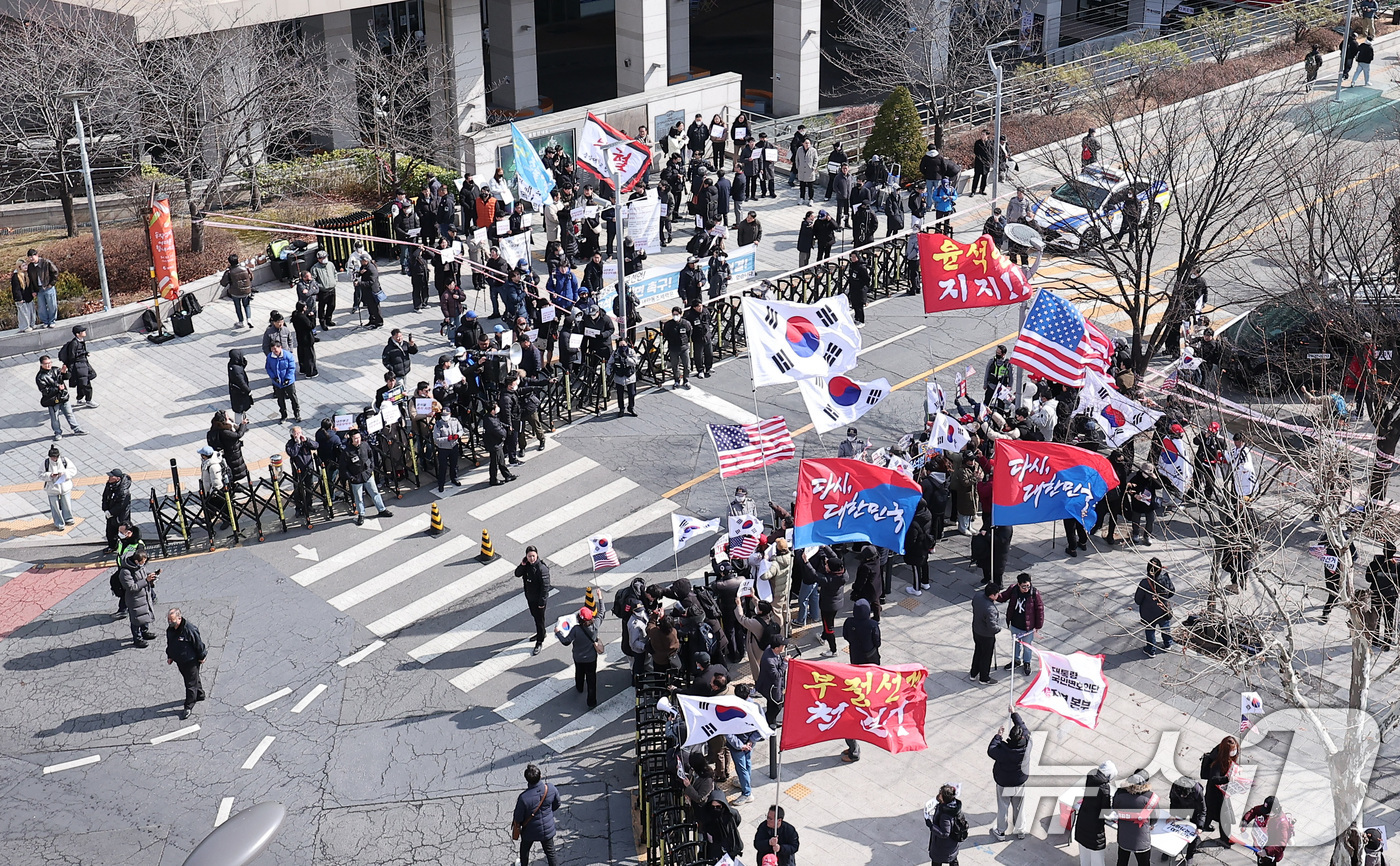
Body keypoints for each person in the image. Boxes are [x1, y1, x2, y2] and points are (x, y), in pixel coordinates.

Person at [988, 709, 1030, 838]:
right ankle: (1020, 830)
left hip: (1004, 782)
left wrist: (998, 736)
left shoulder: (1003, 750)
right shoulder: (1027, 744)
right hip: (1019, 781)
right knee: (1019, 806)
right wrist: (1014, 714)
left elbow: (991, 750)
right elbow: (1024, 727)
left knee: (1003, 807)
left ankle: (1001, 831)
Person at [339, 429, 394, 526]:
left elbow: (371, 456)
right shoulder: (346, 452)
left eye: (359, 438)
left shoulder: (365, 445)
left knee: (375, 492)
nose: (358, 440)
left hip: (367, 475)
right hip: (356, 478)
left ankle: (382, 509)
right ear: (351, 439)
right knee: (359, 498)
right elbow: (343, 468)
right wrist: (351, 478)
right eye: (355, 439)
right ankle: (361, 514)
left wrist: (371, 468)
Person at [514, 763, 562, 866]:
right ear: (540, 776)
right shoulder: (550, 788)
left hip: (530, 831)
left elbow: (518, 817)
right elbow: (557, 803)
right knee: (551, 853)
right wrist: (548, 813)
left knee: (524, 850)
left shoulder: (523, 797)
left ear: (527, 780)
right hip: (547, 830)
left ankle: (523, 864)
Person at [996, 572, 1043, 676]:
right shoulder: (1013, 589)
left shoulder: (1034, 593)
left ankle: (1027, 662)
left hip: (1028, 627)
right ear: (1018, 584)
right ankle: (1016, 660)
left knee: (1027, 647)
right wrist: (994, 594)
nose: (1026, 589)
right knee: (1016, 644)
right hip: (1015, 624)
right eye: (1023, 586)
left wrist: (1038, 626)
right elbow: (1003, 597)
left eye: (1028, 586)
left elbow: (1039, 609)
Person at [165, 607, 207, 720]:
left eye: (172, 620)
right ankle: (200, 694)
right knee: (192, 679)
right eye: (168, 620)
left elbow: (198, 644)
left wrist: (202, 656)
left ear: (179, 618)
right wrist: (170, 656)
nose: (170, 622)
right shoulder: (171, 629)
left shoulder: (189, 629)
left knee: (190, 684)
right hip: (180, 661)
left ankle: (188, 706)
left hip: (190, 661)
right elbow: (170, 643)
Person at [1112, 769, 1158, 866]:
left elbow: (1115, 809)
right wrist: (1151, 824)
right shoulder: (1149, 797)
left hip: (1124, 836)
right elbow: (1155, 817)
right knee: (1144, 863)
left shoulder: (1120, 793)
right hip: (1142, 838)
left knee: (1122, 861)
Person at [558, 606, 602, 707]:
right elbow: (602, 613)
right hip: (591, 658)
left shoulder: (576, 629)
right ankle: (591, 702)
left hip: (578, 657)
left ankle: (579, 687)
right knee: (591, 679)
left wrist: (558, 633)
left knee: (579, 672)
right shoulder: (595, 625)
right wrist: (600, 598)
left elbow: (566, 641)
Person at [1200, 736, 1241, 843]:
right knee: (1225, 817)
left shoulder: (1222, 755)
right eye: (1232, 750)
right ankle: (1225, 838)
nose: (1234, 752)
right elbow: (1214, 778)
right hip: (1216, 792)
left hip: (1216, 791)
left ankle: (1204, 825)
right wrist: (1227, 778)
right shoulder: (1217, 762)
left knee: (1209, 811)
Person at [1075, 762, 1115, 866]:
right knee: (1097, 861)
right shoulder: (1104, 788)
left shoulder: (1090, 777)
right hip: (1094, 830)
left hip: (1082, 822)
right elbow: (1105, 812)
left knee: (1084, 859)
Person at [118, 548, 160, 648]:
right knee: (136, 619)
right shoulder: (125, 572)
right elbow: (132, 587)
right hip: (135, 599)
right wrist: (146, 580)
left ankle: (145, 632)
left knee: (145, 614)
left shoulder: (139, 566)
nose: (143, 564)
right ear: (136, 561)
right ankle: (137, 639)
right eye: (142, 562)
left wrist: (152, 575)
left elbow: (144, 574)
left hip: (144, 595)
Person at [36, 355, 85, 441]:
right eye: (46, 364)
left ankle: (76, 429)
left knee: (69, 414)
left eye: (50, 363)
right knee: (55, 417)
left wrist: (64, 372)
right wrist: (57, 387)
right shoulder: (40, 377)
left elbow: (66, 377)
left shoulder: (55, 369)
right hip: (53, 400)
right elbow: (45, 391)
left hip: (63, 396)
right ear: (41, 364)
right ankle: (57, 432)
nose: (49, 365)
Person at [1133, 557, 1175, 656]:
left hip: (1148, 613)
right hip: (1163, 610)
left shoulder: (1144, 583)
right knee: (1165, 626)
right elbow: (1172, 591)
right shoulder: (1165, 579)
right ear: (1160, 569)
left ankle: (1151, 649)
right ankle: (1168, 644)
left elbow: (1138, 600)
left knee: (1150, 630)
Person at [1240, 796, 1292, 866]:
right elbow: (1254, 811)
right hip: (1260, 846)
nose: (1265, 813)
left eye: (1268, 812)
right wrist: (1245, 822)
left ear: (1275, 810)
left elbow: (1281, 844)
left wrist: (1266, 851)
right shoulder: (1267, 809)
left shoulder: (1282, 824)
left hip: (1269, 854)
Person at [1168, 776, 1206, 866]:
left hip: (1195, 810)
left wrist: (1200, 826)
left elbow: (1203, 810)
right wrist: (1173, 814)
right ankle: (1169, 851)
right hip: (1181, 808)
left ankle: (1190, 856)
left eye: (1184, 795)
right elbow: (1173, 800)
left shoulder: (1197, 790)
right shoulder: (1175, 786)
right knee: (1175, 828)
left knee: (1193, 834)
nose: (1182, 796)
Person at [926, 783, 966, 866]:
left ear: (944, 798)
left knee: (936, 862)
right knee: (953, 860)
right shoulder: (954, 807)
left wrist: (931, 826)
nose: (938, 795)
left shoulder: (945, 816)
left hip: (942, 847)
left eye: (940, 794)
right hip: (952, 845)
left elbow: (945, 833)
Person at [58, 325, 97, 408]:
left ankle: (80, 399)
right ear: (77, 334)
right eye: (83, 331)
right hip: (79, 366)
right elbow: (72, 356)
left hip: (83, 364)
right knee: (86, 384)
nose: (84, 332)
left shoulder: (81, 341)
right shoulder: (74, 343)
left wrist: (85, 353)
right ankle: (88, 400)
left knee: (81, 383)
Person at [969, 582, 1001, 684]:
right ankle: (984, 678)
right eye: (997, 594)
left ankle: (973, 673)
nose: (998, 595)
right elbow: (992, 627)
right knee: (986, 656)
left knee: (978, 651)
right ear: (992, 595)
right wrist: (998, 629)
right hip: (986, 635)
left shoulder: (978, 596)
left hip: (976, 630)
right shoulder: (990, 609)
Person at [41, 445, 76, 531]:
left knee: (67, 504)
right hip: (52, 489)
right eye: (52, 457)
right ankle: (59, 523)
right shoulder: (46, 463)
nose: (54, 459)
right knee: (55, 507)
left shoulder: (64, 461)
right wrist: (50, 475)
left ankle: (68, 518)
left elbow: (73, 470)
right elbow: (40, 474)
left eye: (55, 457)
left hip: (65, 487)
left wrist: (64, 473)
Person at [265, 343, 301, 423]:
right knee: (280, 400)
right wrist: (274, 377)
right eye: (273, 349)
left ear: (280, 347)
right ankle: (284, 415)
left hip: (288, 382)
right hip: (277, 383)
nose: (275, 351)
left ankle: (297, 414)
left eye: (276, 349)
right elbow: (268, 368)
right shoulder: (270, 357)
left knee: (293, 398)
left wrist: (287, 378)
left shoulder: (288, 355)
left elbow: (292, 367)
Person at [484, 401, 516, 486]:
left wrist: (506, 426)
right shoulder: (491, 422)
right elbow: (500, 432)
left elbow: (499, 423)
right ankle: (493, 479)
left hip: (496, 443)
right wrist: (507, 431)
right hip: (494, 444)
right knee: (494, 463)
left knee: (501, 460)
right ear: (492, 410)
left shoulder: (490, 417)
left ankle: (507, 475)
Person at [101, 468, 133, 553]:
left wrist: (111, 512)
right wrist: (105, 508)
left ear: (118, 478)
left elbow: (121, 505)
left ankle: (128, 548)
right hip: (110, 513)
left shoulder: (123, 491)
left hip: (121, 516)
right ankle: (112, 546)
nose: (109, 477)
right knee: (110, 532)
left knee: (123, 533)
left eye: (112, 476)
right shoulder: (109, 484)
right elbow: (105, 496)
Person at [220, 253, 255, 330]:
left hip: (236, 293)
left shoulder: (229, 272)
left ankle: (241, 322)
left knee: (238, 307)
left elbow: (223, 283)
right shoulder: (245, 268)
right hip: (246, 291)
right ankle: (249, 319)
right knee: (247, 305)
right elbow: (251, 278)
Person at [432, 410, 464, 491]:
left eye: (446, 415)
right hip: (443, 448)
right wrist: (447, 439)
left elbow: (461, 430)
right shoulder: (438, 424)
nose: (445, 417)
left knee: (454, 464)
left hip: (454, 446)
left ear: (450, 414)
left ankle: (454, 478)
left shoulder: (455, 421)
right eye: (443, 415)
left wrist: (457, 435)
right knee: (443, 467)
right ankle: (441, 484)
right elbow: (436, 439)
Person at [607, 338, 640, 417]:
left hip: (630, 376)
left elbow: (635, 362)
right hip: (619, 376)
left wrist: (626, 358)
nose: (622, 347)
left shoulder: (631, 351)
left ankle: (631, 407)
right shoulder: (615, 353)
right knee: (620, 394)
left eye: (624, 345)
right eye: (620, 345)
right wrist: (608, 372)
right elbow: (609, 363)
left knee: (632, 393)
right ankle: (621, 408)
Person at [662, 306, 692, 389]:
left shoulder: (685, 323)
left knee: (687, 365)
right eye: (674, 314)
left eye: (677, 314)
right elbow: (665, 335)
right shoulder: (668, 324)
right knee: (675, 366)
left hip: (684, 348)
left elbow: (689, 333)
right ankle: (677, 380)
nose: (675, 316)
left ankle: (686, 380)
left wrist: (685, 342)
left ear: (680, 314)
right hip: (673, 348)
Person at [310, 249, 339, 329]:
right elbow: (313, 280)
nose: (324, 259)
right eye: (322, 258)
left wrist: (335, 281)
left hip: (332, 289)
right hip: (323, 292)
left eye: (325, 257)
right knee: (322, 308)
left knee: (332, 305)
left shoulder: (330, 264)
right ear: (318, 259)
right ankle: (322, 322)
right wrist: (319, 287)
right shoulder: (315, 268)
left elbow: (335, 273)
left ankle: (328, 319)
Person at [290, 302, 318, 378]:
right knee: (309, 356)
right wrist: (312, 317)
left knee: (302, 354)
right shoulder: (302, 318)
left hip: (300, 338)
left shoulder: (295, 315)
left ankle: (303, 369)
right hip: (307, 339)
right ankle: (310, 372)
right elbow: (311, 326)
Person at [226, 350, 254, 424]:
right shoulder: (236, 370)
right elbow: (241, 382)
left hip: (236, 391)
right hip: (240, 392)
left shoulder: (231, 364)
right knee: (239, 409)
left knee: (241, 408)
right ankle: (239, 425)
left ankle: (243, 421)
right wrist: (248, 390)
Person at [11, 257, 36, 332]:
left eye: (26, 265)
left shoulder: (26, 275)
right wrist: (19, 298)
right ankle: (25, 326)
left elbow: (30, 286)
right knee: (24, 314)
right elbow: (16, 289)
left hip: (28, 297)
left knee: (31, 311)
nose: (26, 267)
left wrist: (32, 293)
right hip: (21, 299)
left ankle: (32, 324)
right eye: (23, 266)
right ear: (19, 267)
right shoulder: (16, 276)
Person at [845, 251, 870, 326]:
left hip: (860, 288)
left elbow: (866, 279)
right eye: (851, 257)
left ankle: (861, 320)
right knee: (854, 303)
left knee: (859, 305)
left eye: (854, 257)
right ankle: (856, 318)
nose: (852, 259)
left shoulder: (861, 267)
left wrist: (863, 286)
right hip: (853, 287)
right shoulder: (852, 265)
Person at [793, 137, 819, 205]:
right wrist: (798, 167)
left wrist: (813, 167)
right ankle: (802, 198)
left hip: (809, 171)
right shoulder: (799, 149)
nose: (807, 144)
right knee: (802, 186)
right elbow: (797, 159)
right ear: (803, 143)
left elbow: (816, 160)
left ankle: (811, 199)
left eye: (808, 143)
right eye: (806, 143)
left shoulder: (813, 150)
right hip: (801, 170)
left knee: (810, 187)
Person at [972, 129, 992, 195]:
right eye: (981, 134)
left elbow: (991, 152)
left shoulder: (990, 143)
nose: (982, 136)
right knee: (976, 177)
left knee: (984, 177)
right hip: (979, 162)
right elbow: (975, 151)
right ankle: (973, 190)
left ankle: (982, 189)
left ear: (987, 135)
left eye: (983, 134)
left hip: (986, 163)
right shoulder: (978, 142)